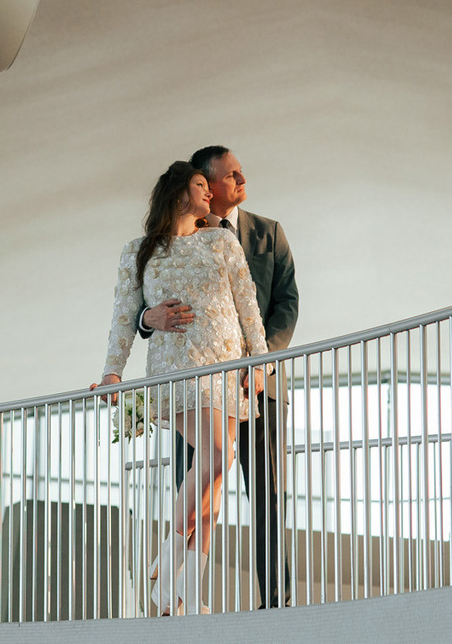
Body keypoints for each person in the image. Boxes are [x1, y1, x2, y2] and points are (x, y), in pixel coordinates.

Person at [99, 160, 267, 617]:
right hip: (177, 366)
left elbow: (247, 303)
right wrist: (113, 370)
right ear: (177, 194)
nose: (209, 191)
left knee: (215, 481)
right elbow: (123, 311)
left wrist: (259, 359)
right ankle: (169, 557)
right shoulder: (139, 251)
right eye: (199, 184)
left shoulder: (221, 241)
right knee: (218, 456)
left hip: (226, 365)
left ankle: (186, 593)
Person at [139, 147, 297, 608]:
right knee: (204, 483)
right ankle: (179, 592)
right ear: (202, 183)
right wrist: (149, 319)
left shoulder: (267, 233)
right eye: (229, 174)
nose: (241, 177)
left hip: (257, 387)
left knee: (266, 496)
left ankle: (276, 604)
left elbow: (284, 303)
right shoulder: (169, 245)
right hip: (194, 382)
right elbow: (139, 312)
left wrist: (261, 363)